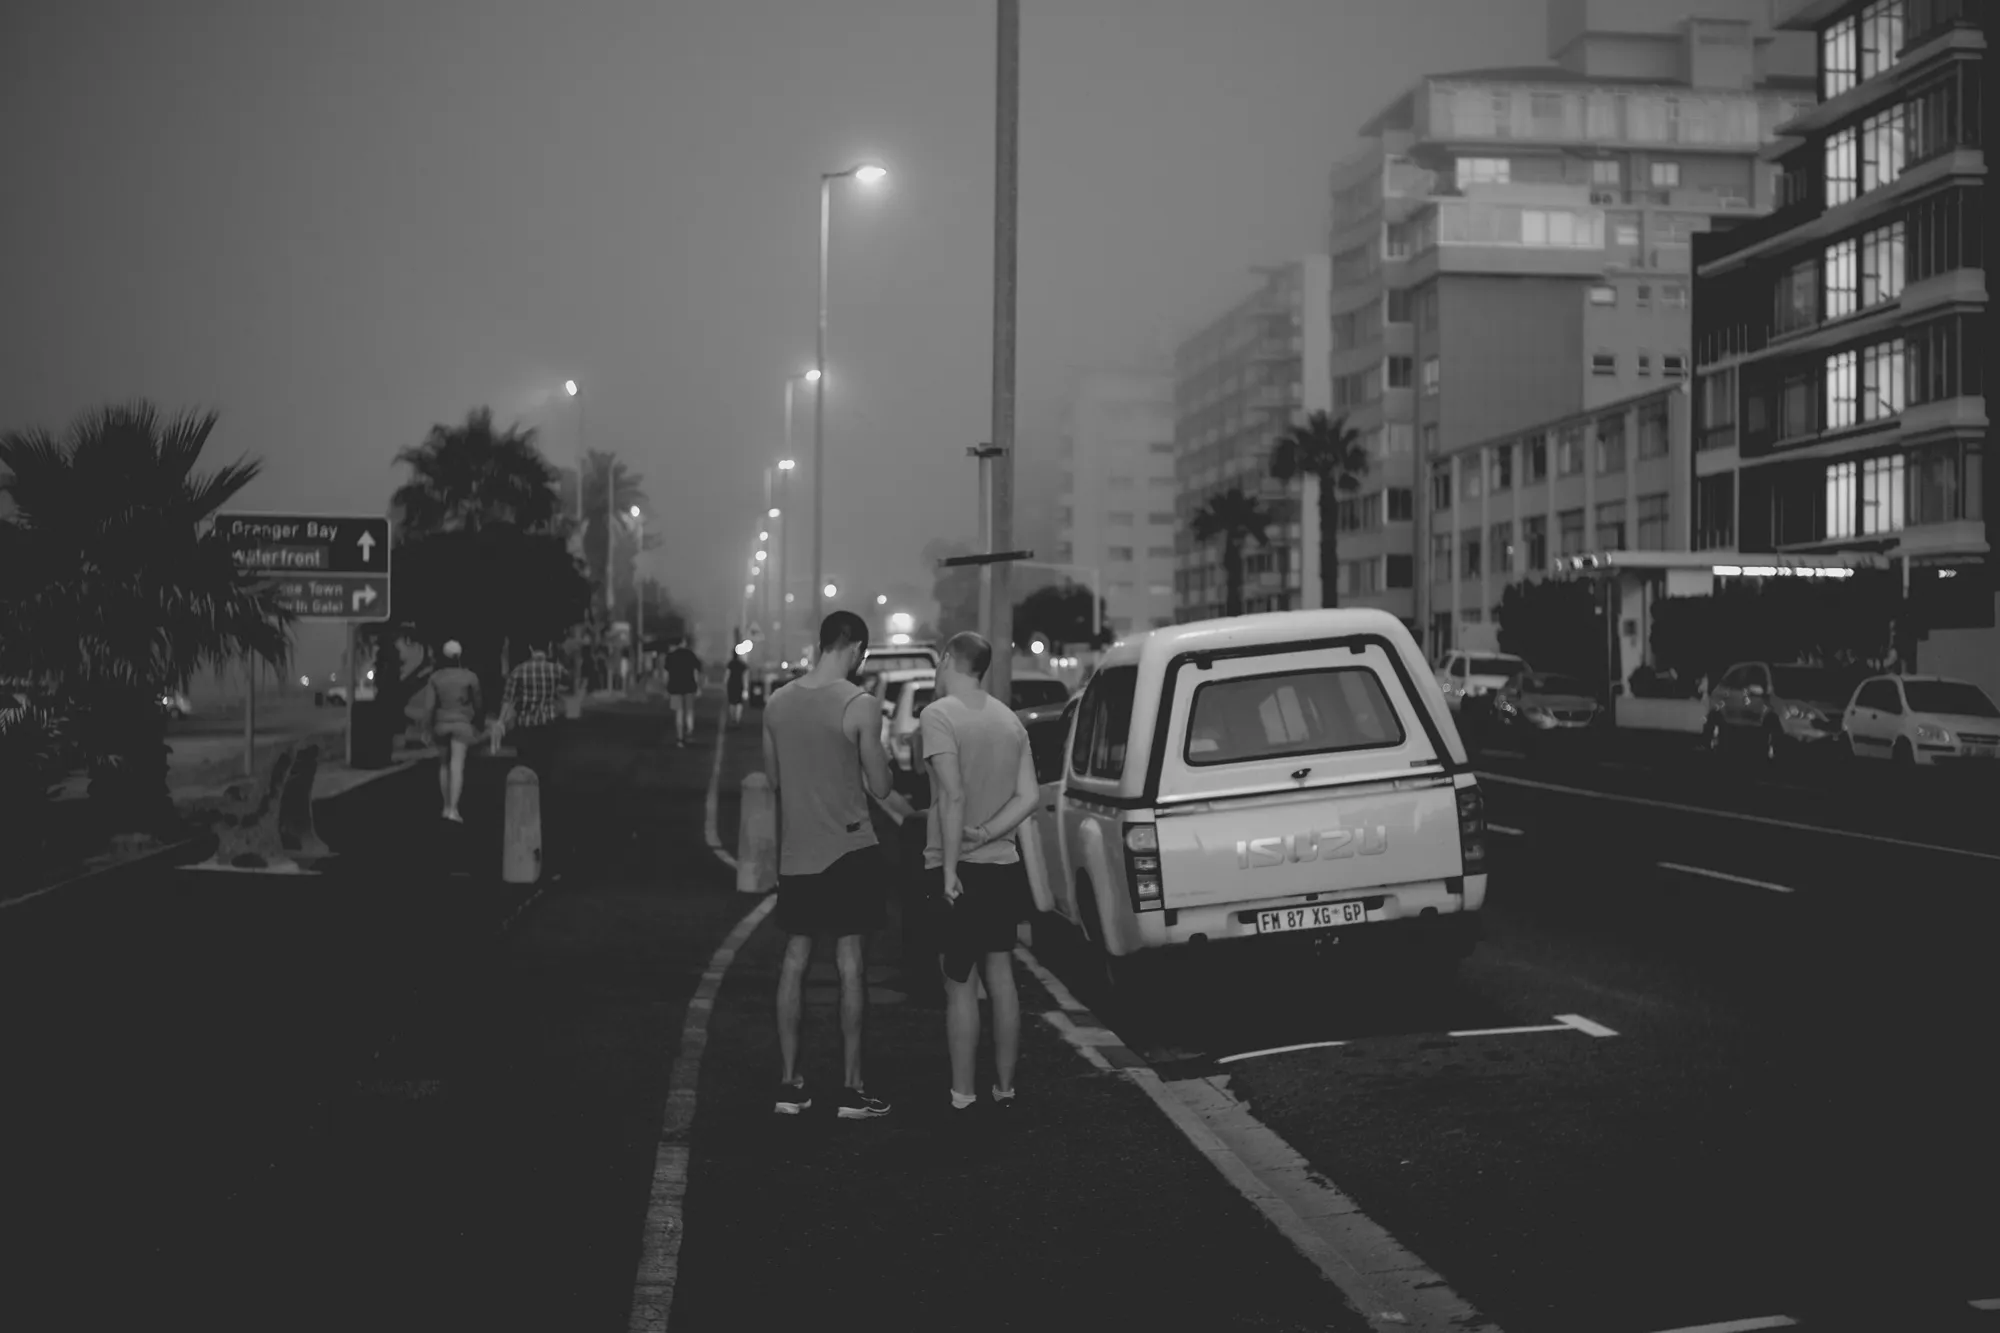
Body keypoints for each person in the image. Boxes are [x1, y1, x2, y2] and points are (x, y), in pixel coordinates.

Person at [763, 611, 910, 1119]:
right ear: (857, 649)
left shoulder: (778, 703)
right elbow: (882, 786)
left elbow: (773, 775)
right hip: (850, 851)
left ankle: (789, 1085)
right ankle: (851, 1089)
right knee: (851, 966)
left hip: (798, 851)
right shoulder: (859, 704)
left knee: (796, 961)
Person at [921, 630, 1039, 1116]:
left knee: (960, 982)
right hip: (1003, 866)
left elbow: (951, 794)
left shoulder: (938, 715)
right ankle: (1006, 1089)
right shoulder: (1009, 721)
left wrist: (949, 867)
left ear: (948, 659)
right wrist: (989, 832)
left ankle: (963, 1096)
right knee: (1002, 976)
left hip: (958, 870)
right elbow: (1029, 797)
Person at [498, 639, 572, 877]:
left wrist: (501, 723)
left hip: (526, 727)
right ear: (548, 649)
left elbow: (508, 700)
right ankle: (544, 799)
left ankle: (526, 804)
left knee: (525, 766)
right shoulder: (555, 669)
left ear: (530, 649)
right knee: (546, 768)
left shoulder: (518, 671)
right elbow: (569, 684)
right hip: (548, 726)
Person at [426, 640, 483, 823]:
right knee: (457, 765)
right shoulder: (470, 677)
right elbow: (478, 703)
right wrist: (478, 723)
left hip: (441, 724)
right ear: (460, 656)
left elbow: (429, 707)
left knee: (443, 765)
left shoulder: (435, 678)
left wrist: (427, 728)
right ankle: (453, 809)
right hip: (461, 724)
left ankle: (444, 806)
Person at [665, 638, 703, 746]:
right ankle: (689, 729)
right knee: (689, 710)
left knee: (678, 712)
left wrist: (666, 687)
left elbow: (666, 673)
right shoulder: (690, 655)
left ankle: (679, 737)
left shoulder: (670, 656)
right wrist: (698, 686)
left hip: (674, 688)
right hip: (689, 687)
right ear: (683, 643)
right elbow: (696, 671)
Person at [725, 651, 749, 726]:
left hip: (731, 685)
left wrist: (725, 684)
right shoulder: (743, 665)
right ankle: (737, 719)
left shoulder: (730, 664)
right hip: (739, 685)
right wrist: (745, 688)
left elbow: (727, 675)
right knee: (739, 703)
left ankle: (733, 718)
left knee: (732, 702)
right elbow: (745, 677)